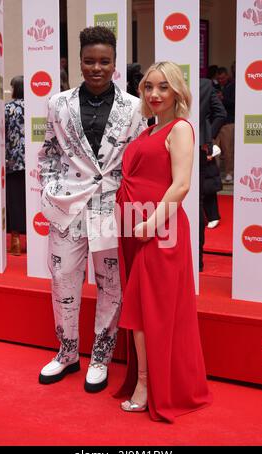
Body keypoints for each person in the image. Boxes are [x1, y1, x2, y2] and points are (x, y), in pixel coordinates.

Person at [38, 26, 146, 392]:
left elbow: (138, 159)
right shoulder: (58, 102)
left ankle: (100, 356)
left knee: (110, 284)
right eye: (89, 61)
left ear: (115, 63)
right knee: (63, 278)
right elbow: (49, 151)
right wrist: (51, 191)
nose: (96, 67)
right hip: (67, 206)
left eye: (104, 61)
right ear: (78, 62)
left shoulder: (134, 107)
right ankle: (67, 352)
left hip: (111, 208)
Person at [114, 62, 212, 423]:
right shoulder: (148, 130)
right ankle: (147, 380)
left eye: (163, 88)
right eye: (148, 88)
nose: (154, 94)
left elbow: (181, 185)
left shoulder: (181, 129)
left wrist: (151, 224)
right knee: (140, 307)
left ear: (177, 92)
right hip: (135, 229)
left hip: (160, 231)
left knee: (147, 310)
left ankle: (146, 384)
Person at [199, 78, 227, 269]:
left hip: (176, 145)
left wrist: (207, 138)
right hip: (200, 146)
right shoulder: (205, 84)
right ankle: (197, 260)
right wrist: (207, 137)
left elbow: (220, 113)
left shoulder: (167, 81)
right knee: (196, 202)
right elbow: (221, 113)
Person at [5, 75, 26, 255]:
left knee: (15, 201)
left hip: (13, 162)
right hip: (33, 164)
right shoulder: (34, 107)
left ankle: (16, 240)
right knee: (31, 201)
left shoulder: (8, 108)